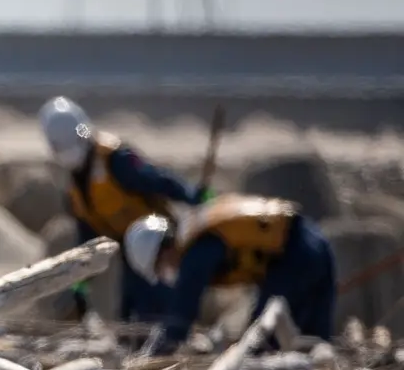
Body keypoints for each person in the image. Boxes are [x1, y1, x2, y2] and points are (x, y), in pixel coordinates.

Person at [39, 95, 201, 322]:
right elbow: (86, 238)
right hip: (130, 251)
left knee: (159, 304)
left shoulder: (116, 159)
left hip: (157, 242)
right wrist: (80, 285)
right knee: (130, 310)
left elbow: (157, 179)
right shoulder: (75, 188)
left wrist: (192, 195)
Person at [122, 195, 336, 349]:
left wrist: (159, 350)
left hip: (294, 255)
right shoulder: (195, 231)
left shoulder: (195, 252)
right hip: (313, 241)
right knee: (315, 338)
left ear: (162, 251)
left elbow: (183, 313)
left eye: (161, 269)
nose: (167, 274)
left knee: (263, 342)